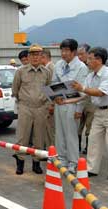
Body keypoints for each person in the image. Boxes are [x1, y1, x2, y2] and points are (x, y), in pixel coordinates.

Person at [72, 47, 108, 180]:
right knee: (93, 139)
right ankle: (92, 168)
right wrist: (66, 101)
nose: (87, 61)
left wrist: (82, 88)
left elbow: (101, 92)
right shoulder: (90, 76)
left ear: (99, 60)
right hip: (100, 111)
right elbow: (84, 94)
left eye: (90, 58)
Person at [12, 44, 52, 175]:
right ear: (28, 57)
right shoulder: (20, 71)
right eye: (33, 55)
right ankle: (20, 164)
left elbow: (49, 90)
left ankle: (36, 163)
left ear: (42, 57)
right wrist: (23, 102)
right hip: (25, 107)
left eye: (38, 55)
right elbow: (15, 89)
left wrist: (46, 105)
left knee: (39, 137)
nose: (35, 57)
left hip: (41, 108)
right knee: (22, 136)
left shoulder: (47, 72)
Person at [52, 39, 89, 173]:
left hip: (73, 104)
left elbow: (82, 90)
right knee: (60, 132)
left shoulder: (81, 67)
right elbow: (54, 82)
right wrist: (55, 97)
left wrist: (79, 108)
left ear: (73, 52)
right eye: (62, 50)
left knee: (71, 134)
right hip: (60, 103)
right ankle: (61, 159)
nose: (63, 53)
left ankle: (73, 162)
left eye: (66, 50)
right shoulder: (58, 65)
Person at [77, 43, 95, 154]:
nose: (79, 57)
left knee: (90, 125)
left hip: (90, 100)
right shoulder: (77, 67)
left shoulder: (93, 67)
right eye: (78, 54)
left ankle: (89, 147)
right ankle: (76, 146)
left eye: (82, 54)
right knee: (77, 125)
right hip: (78, 100)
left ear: (88, 54)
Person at [40, 48, 56, 147]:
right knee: (47, 129)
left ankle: (52, 152)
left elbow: (51, 88)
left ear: (44, 57)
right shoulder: (49, 67)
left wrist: (51, 104)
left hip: (49, 103)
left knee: (50, 129)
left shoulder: (50, 68)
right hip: (47, 103)